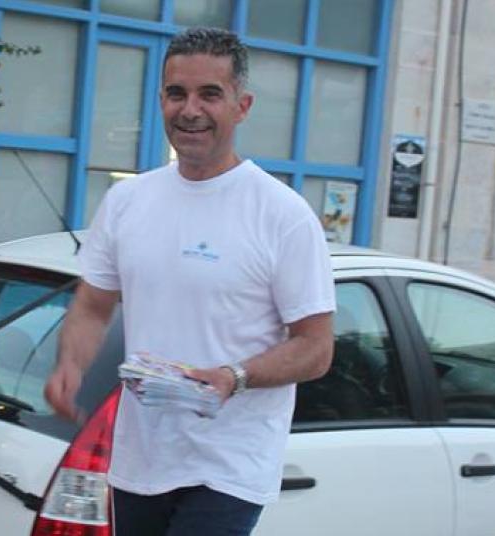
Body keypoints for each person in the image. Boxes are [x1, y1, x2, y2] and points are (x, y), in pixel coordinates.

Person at [45, 27, 336, 536]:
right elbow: (93, 305)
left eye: (210, 94)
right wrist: (71, 364)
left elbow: (316, 347)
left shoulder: (282, 215)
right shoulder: (127, 201)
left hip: (229, 465)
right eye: (177, 93)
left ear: (242, 106)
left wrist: (233, 376)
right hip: (140, 456)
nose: (190, 110)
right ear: (161, 99)